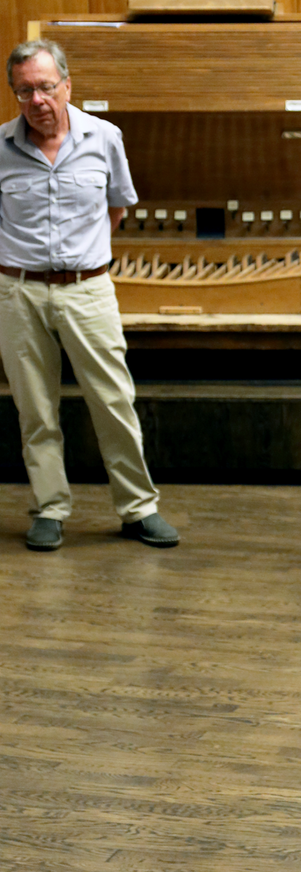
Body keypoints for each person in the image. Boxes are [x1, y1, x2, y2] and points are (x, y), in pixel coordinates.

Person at [0, 39, 179, 551]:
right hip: (17, 292)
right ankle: (50, 508)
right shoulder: (1, 147)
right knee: (35, 409)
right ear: (15, 94)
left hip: (88, 290)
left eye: (45, 87)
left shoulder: (104, 137)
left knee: (113, 400)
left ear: (67, 86)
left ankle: (138, 508)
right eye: (24, 91)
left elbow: (116, 207)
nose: (37, 100)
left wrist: (83, 258)